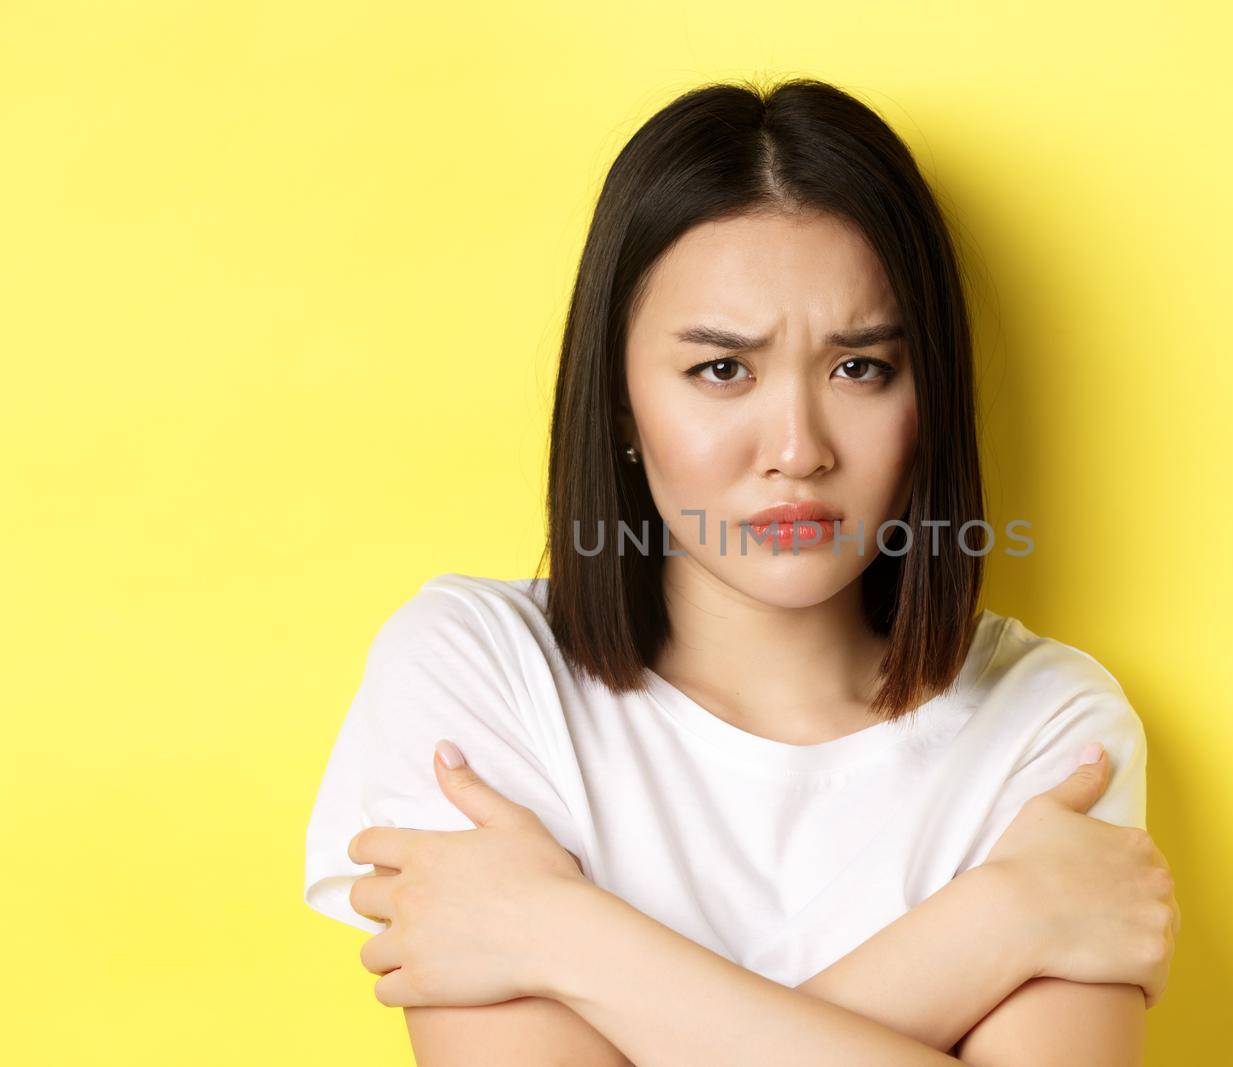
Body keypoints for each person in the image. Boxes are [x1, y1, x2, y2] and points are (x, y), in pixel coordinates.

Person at [304, 76, 1179, 1066]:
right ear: (622, 404)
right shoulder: (479, 669)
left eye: (861, 367)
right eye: (722, 370)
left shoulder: (1049, 726)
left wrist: (554, 932)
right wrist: (997, 919)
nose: (799, 449)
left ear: (926, 397)